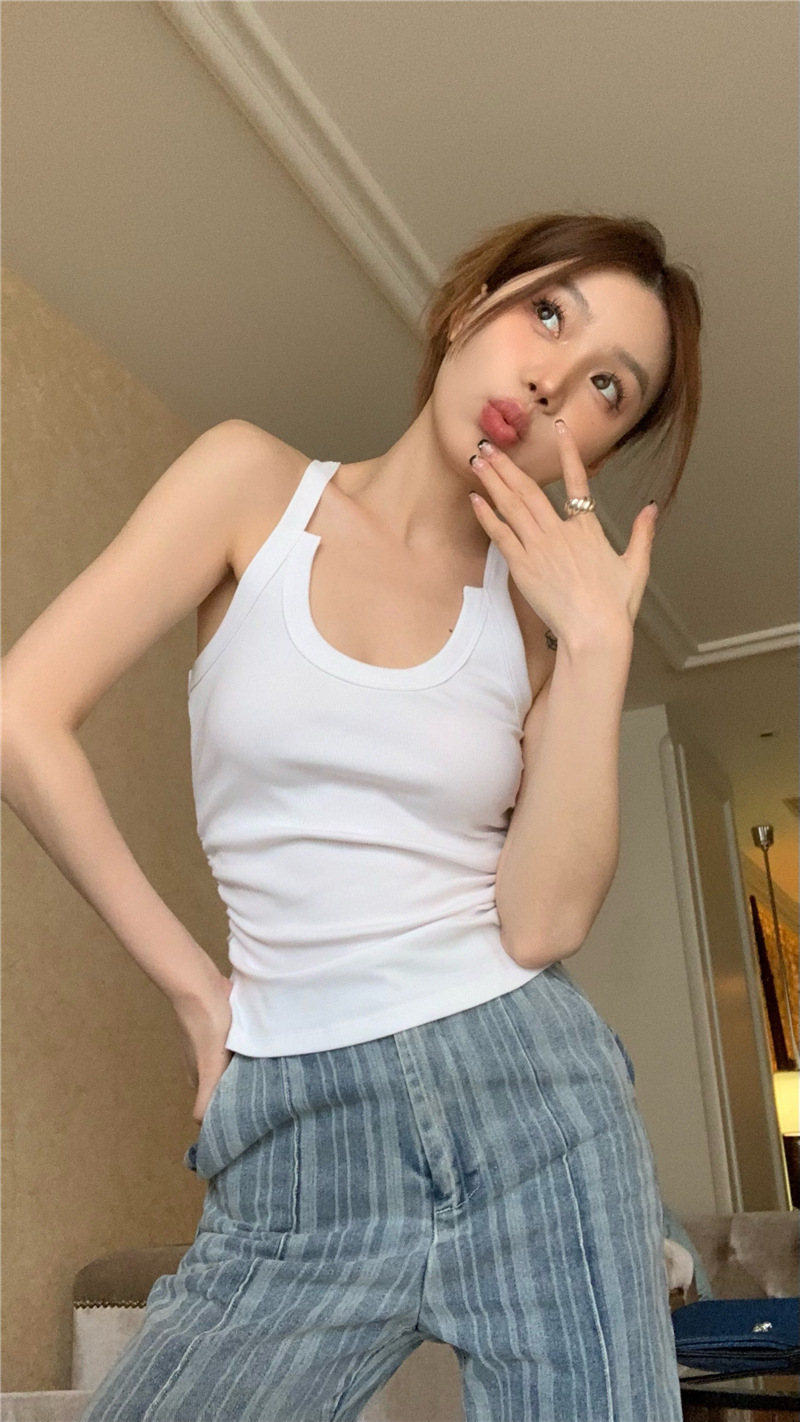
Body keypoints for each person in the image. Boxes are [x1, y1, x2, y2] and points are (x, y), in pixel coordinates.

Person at [2, 210, 702, 1421]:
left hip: (534, 1103)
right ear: (468, 304)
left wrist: (596, 646)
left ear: (598, 447)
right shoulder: (249, 487)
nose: (551, 381)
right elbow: (21, 716)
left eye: (606, 388)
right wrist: (196, 991)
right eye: (547, 313)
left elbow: (540, 925)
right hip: (296, 1125)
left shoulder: (535, 637)